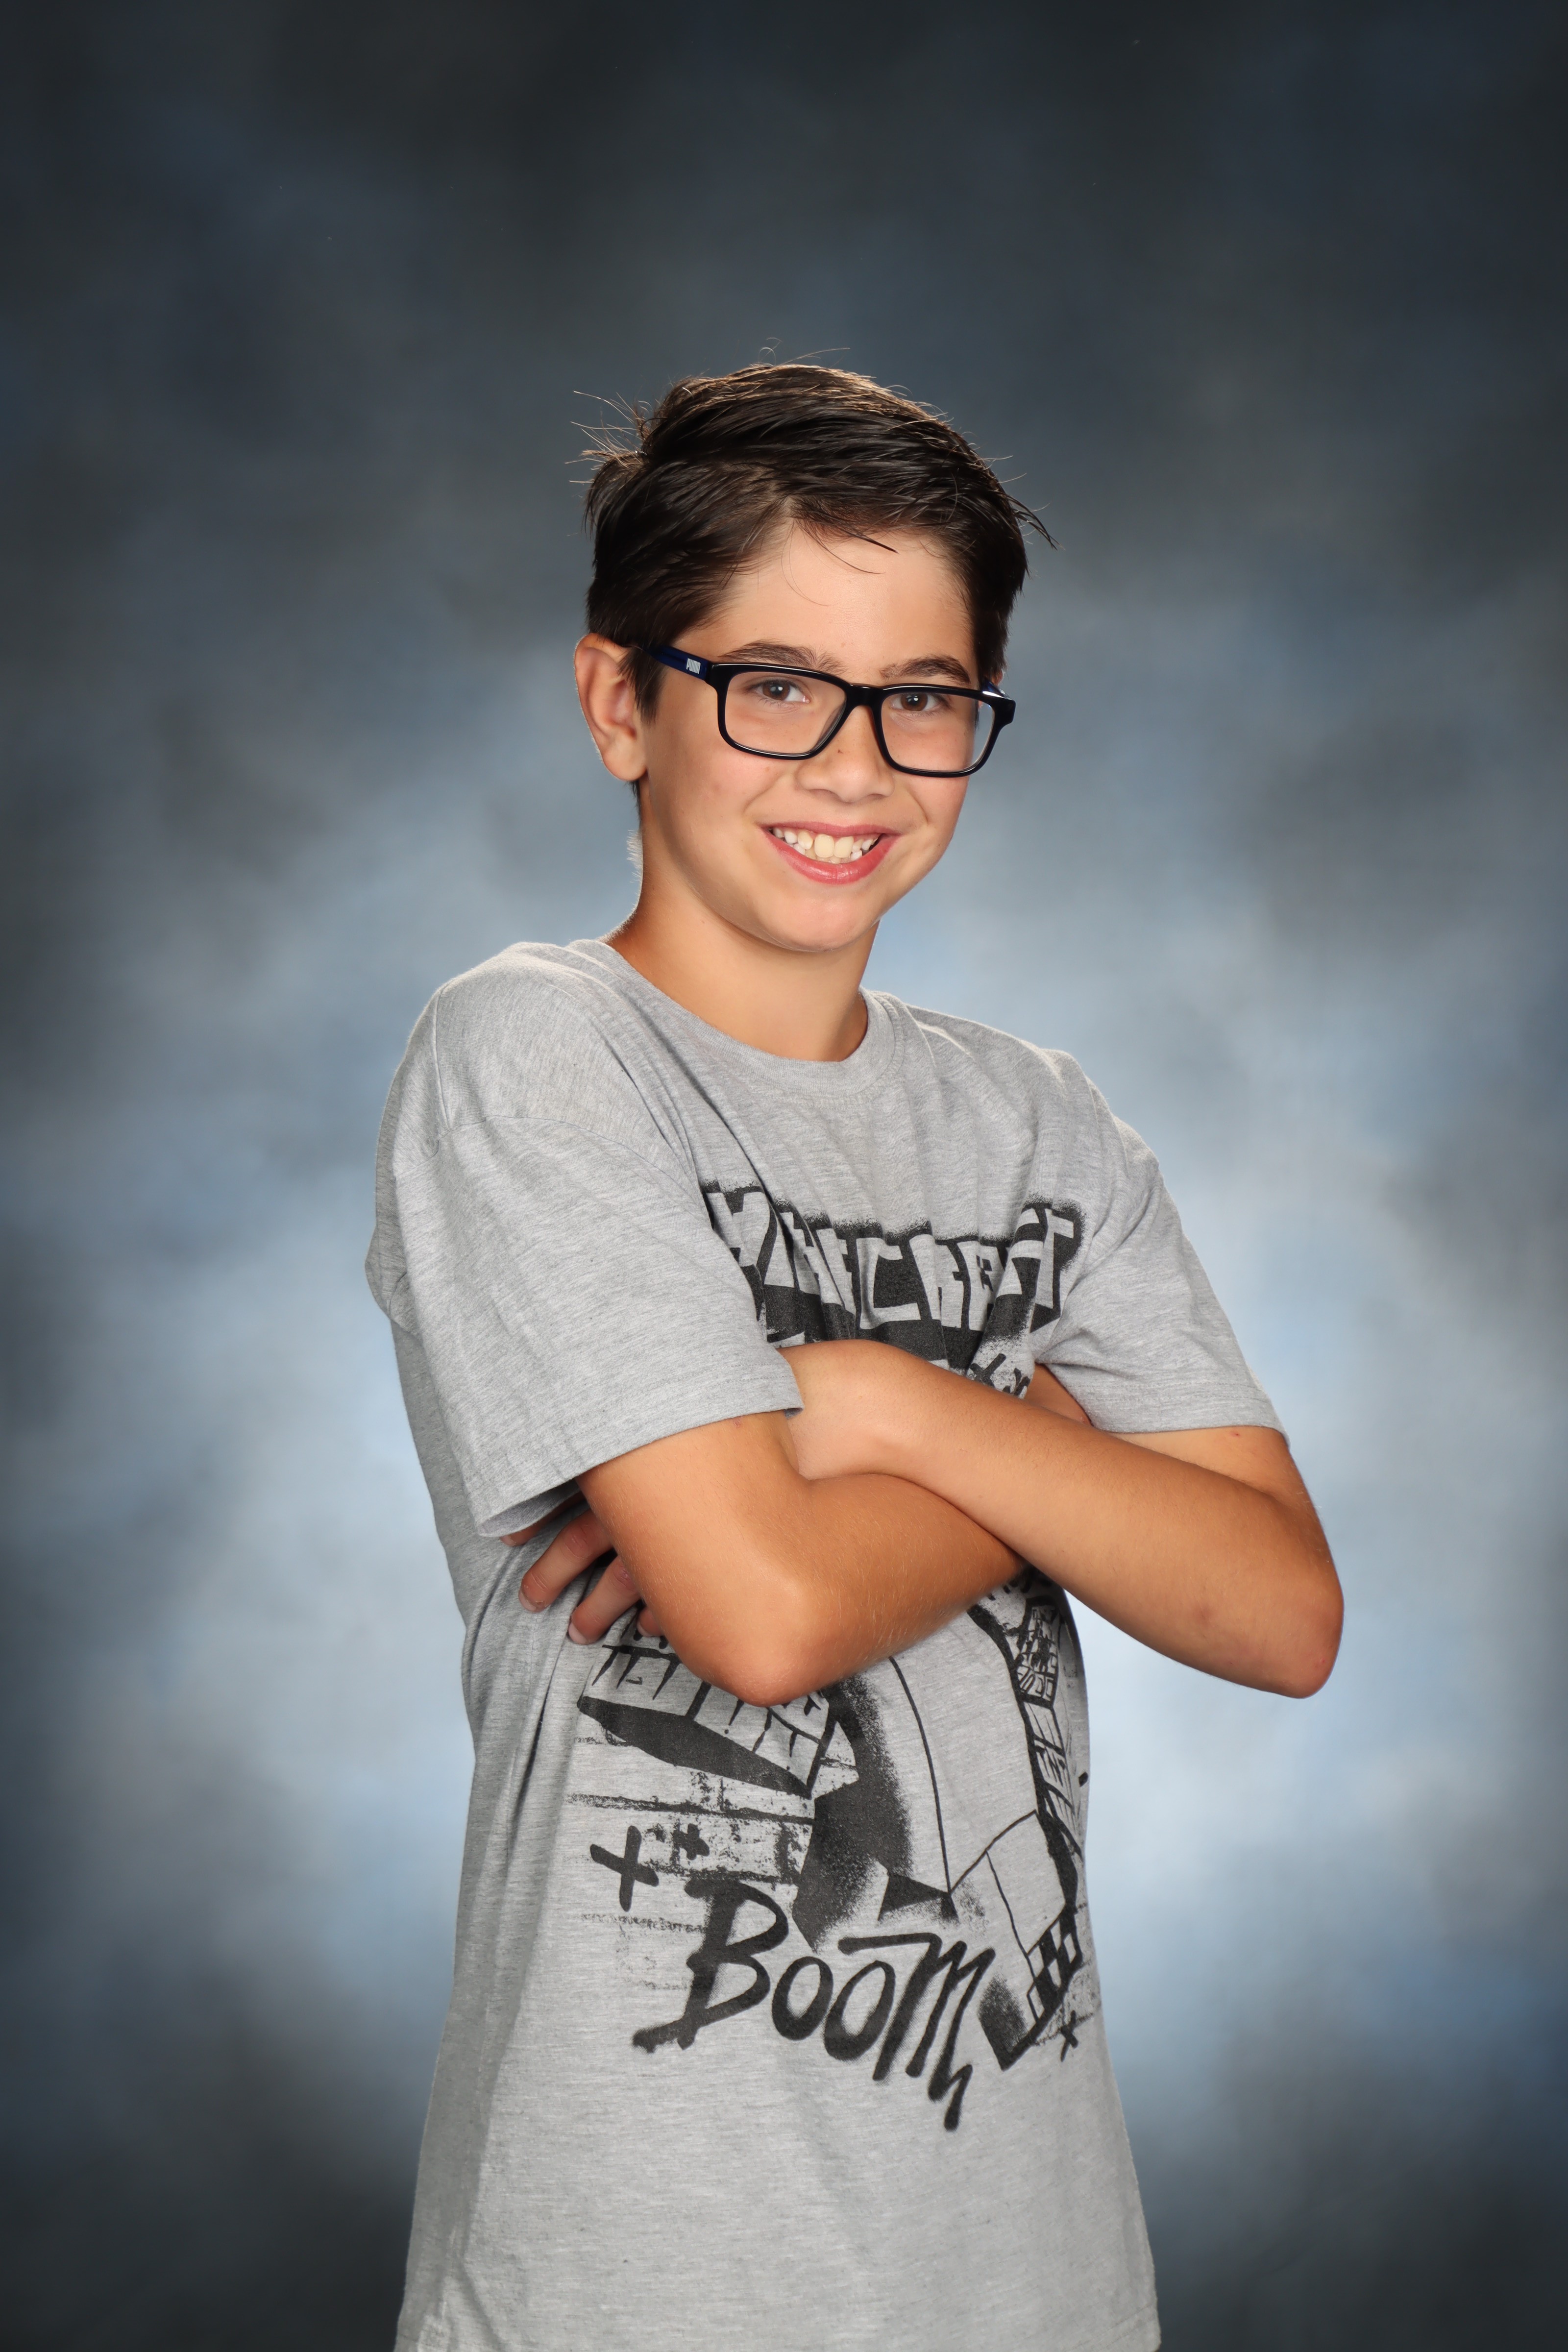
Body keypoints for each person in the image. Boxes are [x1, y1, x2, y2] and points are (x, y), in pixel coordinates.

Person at [367, 362, 1341, 2352]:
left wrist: (881, 1403)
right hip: (641, 2278)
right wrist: (1049, 1446)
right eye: (774, 686)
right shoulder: (535, 1052)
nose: (855, 764)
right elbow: (765, 1611)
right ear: (620, 703)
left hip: (1038, 2281)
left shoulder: (1039, 1125)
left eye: (923, 698)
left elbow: (1277, 1609)